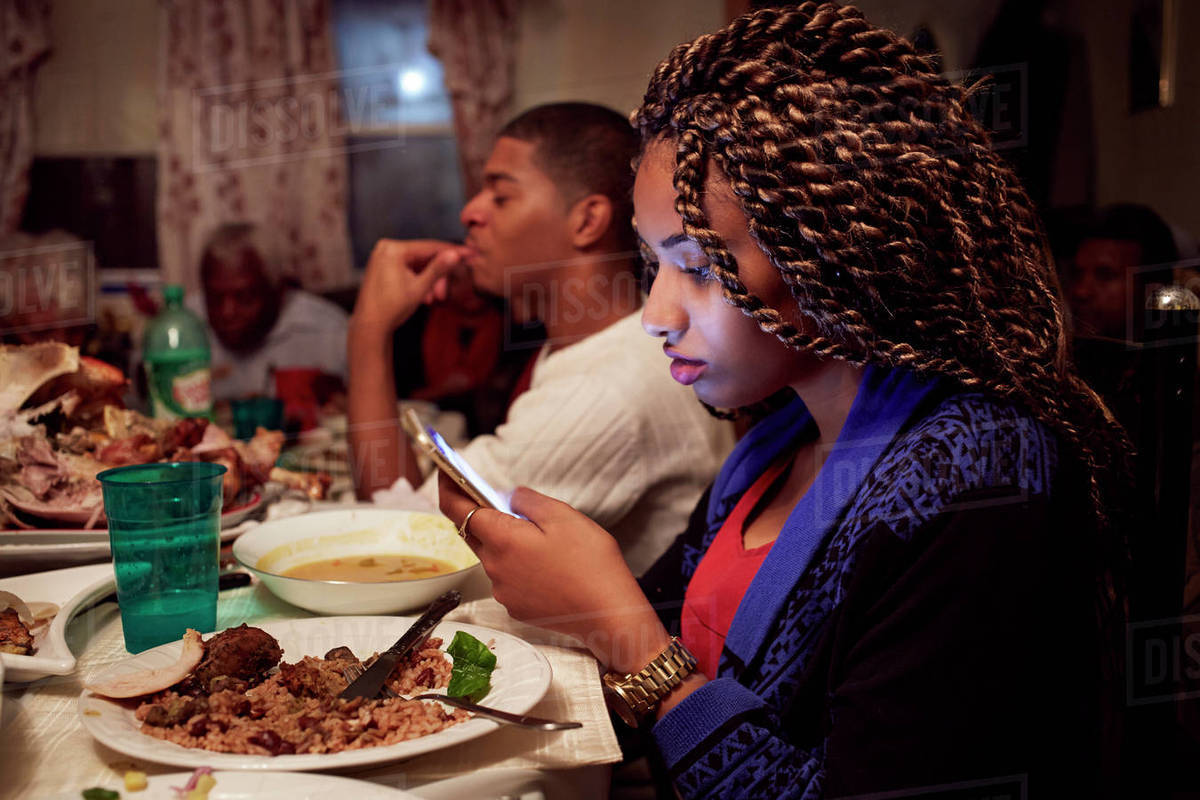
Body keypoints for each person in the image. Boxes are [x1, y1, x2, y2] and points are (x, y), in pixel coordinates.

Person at [438, 5, 1131, 797]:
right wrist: (566, 599)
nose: (656, 316)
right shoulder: (775, 444)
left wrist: (624, 636)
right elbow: (645, 650)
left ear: (834, 252)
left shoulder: (980, 477)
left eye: (699, 267)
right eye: (654, 264)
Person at [348, 102, 734, 576]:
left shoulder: (604, 391)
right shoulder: (594, 346)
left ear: (586, 221)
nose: (470, 212)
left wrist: (369, 330)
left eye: (500, 196)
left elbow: (395, 537)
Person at [191, 223, 349, 405]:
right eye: (214, 298)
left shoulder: (331, 333)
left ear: (279, 291)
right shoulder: (185, 328)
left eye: (244, 297)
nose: (227, 312)